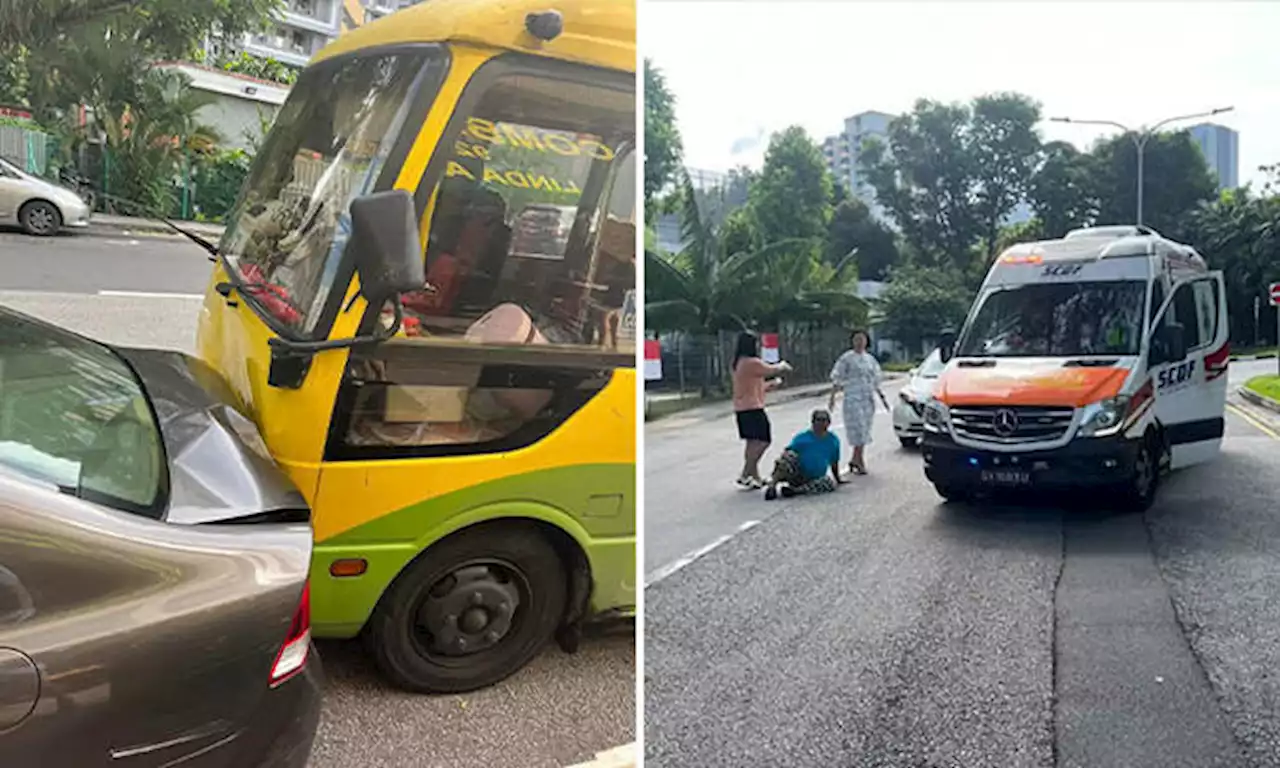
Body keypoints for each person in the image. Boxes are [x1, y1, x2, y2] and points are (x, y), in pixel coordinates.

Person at [731, 332, 791, 489]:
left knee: (752, 442)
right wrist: (782, 365)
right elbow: (771, 369)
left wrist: (771, 385)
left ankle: (754, 476)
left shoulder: (740, 363)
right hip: (752, 408)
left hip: (743, 407)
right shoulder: (751, 362)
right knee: (764, 440)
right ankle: (745, 473)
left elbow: (754, 386)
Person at [829, 329, 888, 475]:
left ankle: (855, 459)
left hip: (867, 398)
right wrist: (832, 397)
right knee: (858, 429)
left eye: (862, 339)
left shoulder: (870, 359)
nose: (860, 342)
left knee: (865, 429)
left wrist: (882, 398)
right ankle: (859, 460)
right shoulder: (846, 358)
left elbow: (875, 380)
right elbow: (837, 377)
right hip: (852, 397)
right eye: (857, 339)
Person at [763, 409, 847, 501]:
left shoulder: (833, 440)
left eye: (824, 420)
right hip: (797, 473)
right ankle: (772, 486)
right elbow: (786, 455)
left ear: (829, 422)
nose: (821, 423)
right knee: (789, 456)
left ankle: (795, 491)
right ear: (813, 422)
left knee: (828, 483)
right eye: (818, 420)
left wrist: (838, 479)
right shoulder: (802, 438)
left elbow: (834, 461)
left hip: (814, 478)